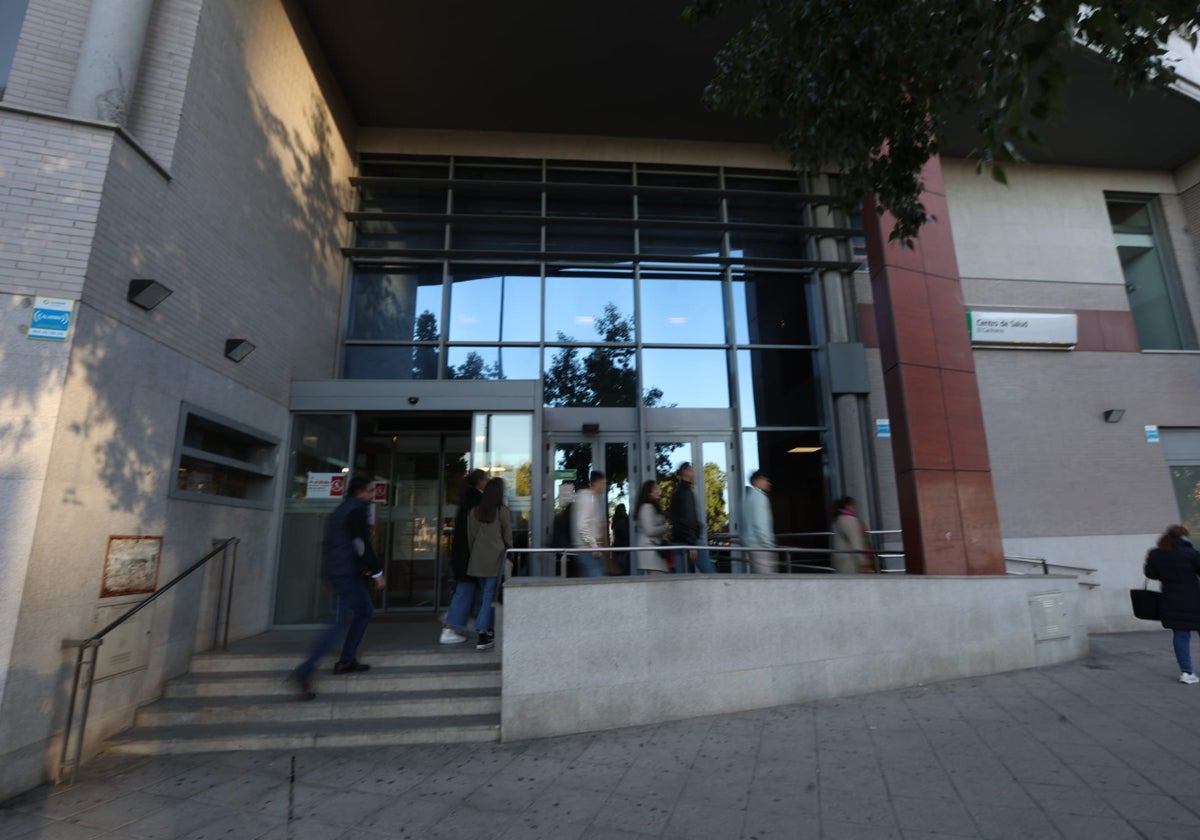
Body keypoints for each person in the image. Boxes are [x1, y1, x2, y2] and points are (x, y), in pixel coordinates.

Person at [291, 476, 385, 699]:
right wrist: (378, 573)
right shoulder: (357, 510)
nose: (374, 495)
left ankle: (347, 660)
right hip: (346, 574)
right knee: (338, 623)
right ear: (361, 491)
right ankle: (304, 671)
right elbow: (361, 544)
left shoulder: (340, 510)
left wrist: (327, 577)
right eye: (371, 490)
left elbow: (329, 545)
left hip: (340, 572)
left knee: (364, 611)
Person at [442, 477, 512, 650]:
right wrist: (509, 551)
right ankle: (482, 633)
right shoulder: (501, 510)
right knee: (488, 597)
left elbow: (471, 536)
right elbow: (507, 535)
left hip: (477, 561)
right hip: (495, 559)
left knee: (485, 597)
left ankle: (485, 630)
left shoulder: (475, 511)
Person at [1143, 524, 1200, 684]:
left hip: (1170, 600)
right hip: (1195, 599)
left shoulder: (1155, 554)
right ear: (1184, 537)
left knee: (1180, 636)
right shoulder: (1191, 553)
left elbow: (1150, 574)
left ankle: (1187, 673)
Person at [441, 469, 488, 644]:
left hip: (464, 554)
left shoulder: (467, 499)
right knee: (465, 590)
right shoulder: (477, 500)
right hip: (470, 555)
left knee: (472, 590)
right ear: (480, 482)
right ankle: (449, 627)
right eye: (486, 480)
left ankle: (464, 621)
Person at [667, 462, 715, 573]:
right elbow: (688, 518)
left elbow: (675, 517)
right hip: (689, 540)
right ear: (685, 472)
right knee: (710, 573)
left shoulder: (676, 493)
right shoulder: (686, 492)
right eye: (691, 471)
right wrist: (692, 544)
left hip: (678, 539)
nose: (694, 474)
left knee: (682, 575)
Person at [571, 471, 609, 577]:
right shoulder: (587, 498)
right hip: (588, 550)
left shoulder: (592, 498)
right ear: (596, 483)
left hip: (590, 550)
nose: (604, 486)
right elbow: (582, 525)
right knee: (597, 585)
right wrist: (594, 546)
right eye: (603, 483)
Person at [742, 470, 777, 574]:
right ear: (757, 481)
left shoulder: (747, 498)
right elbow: (760, 523)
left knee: (759, 577)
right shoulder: (759, 498)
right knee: (767, 579)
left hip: (751, 543)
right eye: (766, 480)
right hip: (761, 545)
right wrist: (768, 544)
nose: (768, 483)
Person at [634, 480, 671, 574]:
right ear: (649, 492)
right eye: (655, 488)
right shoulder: (647, 507)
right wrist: (665, 528)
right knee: (658, 581)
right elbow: (649, 530)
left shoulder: (650, 507)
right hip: (651, 550)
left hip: (653, 550)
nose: (658, 490)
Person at [831, 495, 871, 574]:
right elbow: (856, 542)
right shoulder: (850, 520)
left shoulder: (837, 520)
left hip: (841, 557)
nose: (856, 508)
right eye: (854, 505)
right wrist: (863, 562)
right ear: (848, 506)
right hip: (851, 560)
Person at [610, 503, 631, 575]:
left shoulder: (616, 521)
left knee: (621, 568)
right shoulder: (622, 521)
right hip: (624, 548)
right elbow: (625, 535)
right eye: (624, 509)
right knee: (625, 569)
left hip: (618, 548)